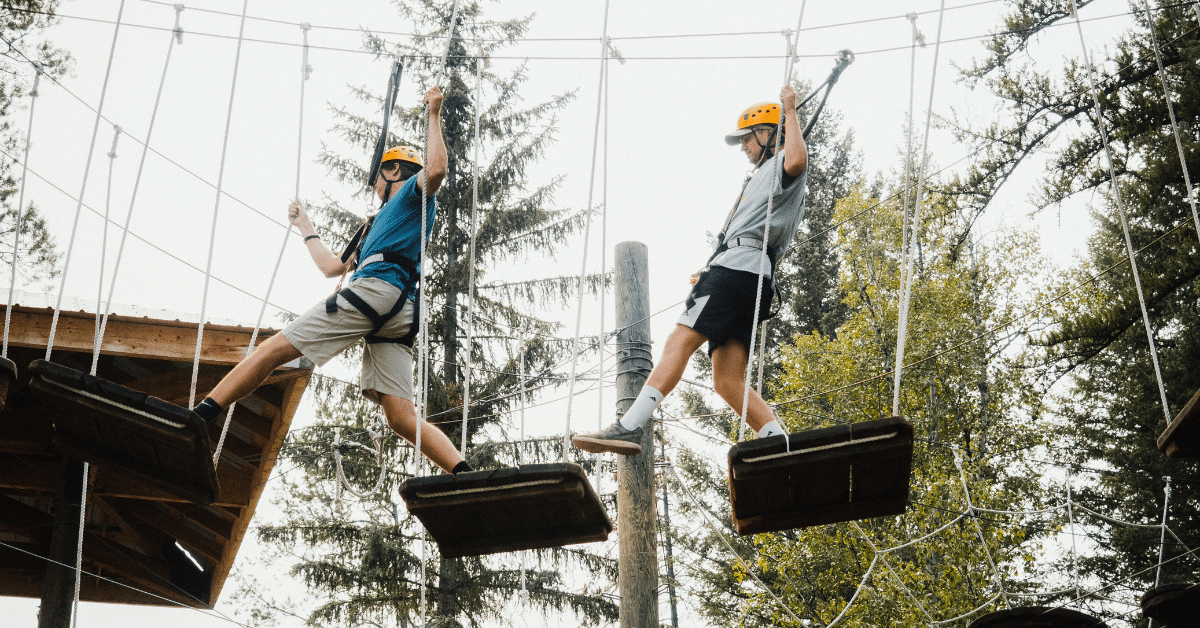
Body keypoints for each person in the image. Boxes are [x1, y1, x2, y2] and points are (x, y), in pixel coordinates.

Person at [193, 86, 471, 474]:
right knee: (400, 418)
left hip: (378, 291)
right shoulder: (377, 223)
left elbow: (437, 169)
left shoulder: (411, 194)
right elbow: (331, 267)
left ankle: (199, 417)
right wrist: (304, 225)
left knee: (272, 351)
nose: (374, 188)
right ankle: (464, 473)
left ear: (393, 172)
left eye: (377, 179)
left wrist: (434, 114)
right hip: (399, 310)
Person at [573, 86, 808, 456]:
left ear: (769, 134)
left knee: (678, 343)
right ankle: (780, 443)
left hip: (735, 272)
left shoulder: (782, 166)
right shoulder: (764, 176)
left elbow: (796, 160)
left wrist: (790, 112)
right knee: (728, 381)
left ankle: (630, 426)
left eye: (749, 138)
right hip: (754, 279)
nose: (745, 146)